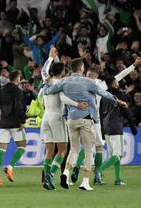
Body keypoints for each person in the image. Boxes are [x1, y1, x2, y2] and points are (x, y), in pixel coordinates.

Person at [43, 58, 126, 191]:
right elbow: (104, 93)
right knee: (88, 150)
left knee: (74, 149)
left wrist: (46, 83)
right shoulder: (88, 82)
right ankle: (85, 182)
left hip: (71, 119)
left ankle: (65, 173)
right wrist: (118, 100)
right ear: (81, 69)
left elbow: (47, 91)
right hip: (86, 118)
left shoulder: (64, 81)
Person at [71, 57, 141, 185]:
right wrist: (133, 65)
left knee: (86, 146)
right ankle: (97, 175)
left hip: (80, 117)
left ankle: (77, 166)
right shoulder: (99, 85)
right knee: (98, 148)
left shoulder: (79, 83)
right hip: (96, 120)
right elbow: (119, 76)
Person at [37, 48, 88, 190]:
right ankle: (50, 175)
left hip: (46, 117)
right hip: (57, 117)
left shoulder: (46, 80)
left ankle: (47, 178)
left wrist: (50, 57)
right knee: (63, 149)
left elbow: (43, 72)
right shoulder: (62, 83)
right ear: (63, 72)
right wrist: (77, 104)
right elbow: (63, 98)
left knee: (49, 150)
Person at [97, 77, 138, 185]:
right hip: (116, 126)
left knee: (114, 155)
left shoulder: (104, 96)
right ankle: (99, 170)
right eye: (117, 82)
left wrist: (102, 130)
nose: (118, 83)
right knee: (118, 155)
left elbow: (101, 114)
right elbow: (126, 111)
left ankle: (118, 179)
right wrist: (133, 127)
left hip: (106, 127)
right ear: (114, 83)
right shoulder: (119, 94)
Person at [0, 71, 27, 185]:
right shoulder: (18, 91)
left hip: (4, 123)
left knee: (1, 149)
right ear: (17, 79)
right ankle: (10, 167)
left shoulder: (2, 90)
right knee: (22, 147)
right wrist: (22, 121)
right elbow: (18, 107)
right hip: (15, 123)